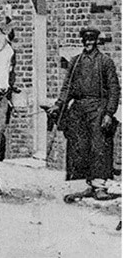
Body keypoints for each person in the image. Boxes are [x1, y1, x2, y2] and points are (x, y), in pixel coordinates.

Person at [49, 28, 120, 202]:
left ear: (96, 41)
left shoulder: (105, 62)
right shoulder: (76, 62)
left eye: (91, 40)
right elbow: (67, 87)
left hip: (98, 108)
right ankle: (83, 185)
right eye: (85, 41)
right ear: (82, 41)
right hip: (78, 108)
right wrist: (58, 105)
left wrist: (109, 113)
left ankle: (99, 186)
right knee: (78, 146)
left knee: (99, 146)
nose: (88, 44)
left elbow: (114, 89)